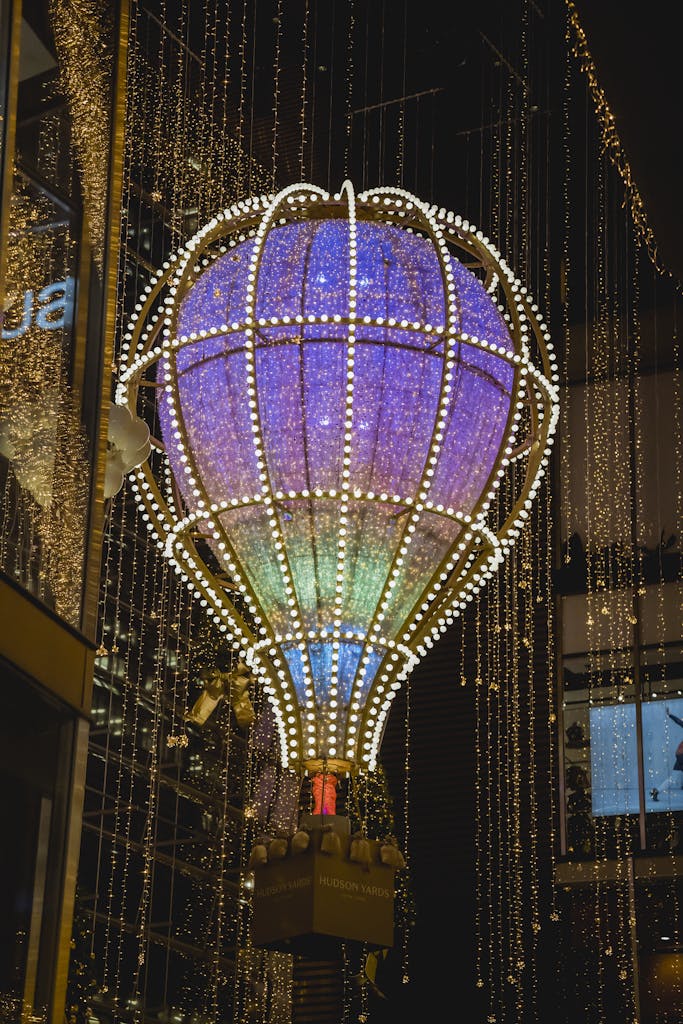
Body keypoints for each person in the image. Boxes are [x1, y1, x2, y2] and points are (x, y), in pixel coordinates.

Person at [650, 706, 683, 801]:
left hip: (680, 753)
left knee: (673, 778)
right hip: (681, 754)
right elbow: (679, 722)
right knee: (674, 778)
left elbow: (679, 722)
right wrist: (670, 715)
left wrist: (670, 715)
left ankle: (656, 791)